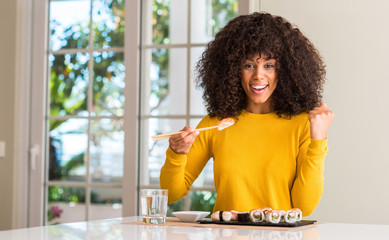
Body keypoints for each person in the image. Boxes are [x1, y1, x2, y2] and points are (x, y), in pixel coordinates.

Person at [159, 12, 334, 216]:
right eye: (249, 65)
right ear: (233, 70)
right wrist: (176, 155)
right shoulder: (216, 124)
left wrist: (318, 140)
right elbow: (170, 194)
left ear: (285, 71)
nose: (258, 75)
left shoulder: (303, 124)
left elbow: (304, 207)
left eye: (269, 66)